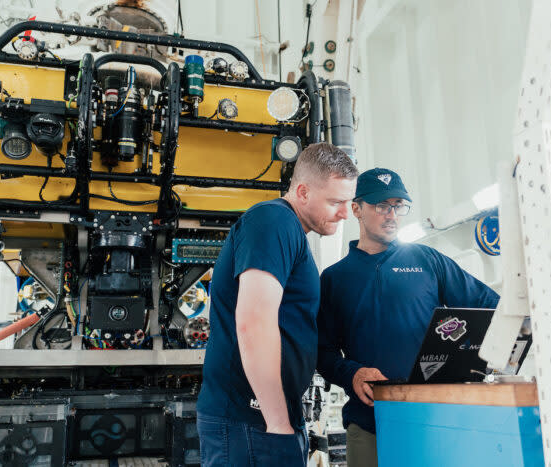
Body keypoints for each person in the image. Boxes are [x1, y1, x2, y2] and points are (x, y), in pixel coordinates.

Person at [317, 168, 500, 467]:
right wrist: (351, 373)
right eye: (381, 205)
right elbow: (320, 352)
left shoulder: (427, 261)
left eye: (398, 206)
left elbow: (489, 307)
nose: (392, 214)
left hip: (435, 421)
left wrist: (473, 357)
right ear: (356, 209)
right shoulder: (335, 280)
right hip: (370, 425)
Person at [196, 143, 359, 467]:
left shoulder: (289, 232)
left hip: (263, 422)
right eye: (336, 201)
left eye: (349, 201)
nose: (345, 212)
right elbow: (254, 322)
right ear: (302, 192)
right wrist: (278, 423)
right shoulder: (273, 221)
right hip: (252, 423)